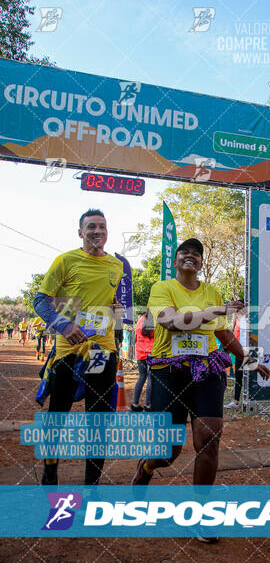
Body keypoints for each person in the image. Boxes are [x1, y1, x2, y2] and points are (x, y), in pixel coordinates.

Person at [131, 238, 270, 537]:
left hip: (206, 369)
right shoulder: (162, 288)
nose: (190, 257)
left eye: (196, 254)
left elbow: (222, 332)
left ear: (202, 262)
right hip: (169, 371)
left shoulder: (211, 292)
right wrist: (217, 310)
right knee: (169, 452)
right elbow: (172, 323)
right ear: (177, 260)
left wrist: (248, 360)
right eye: (185, 253)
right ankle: (146, 467)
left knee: (209, 438)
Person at [33, 208, 123, 486]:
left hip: (100, 350)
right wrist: (63, 325)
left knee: (97, 421)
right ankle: (50, 471)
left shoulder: (116, 265)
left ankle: (91, 487)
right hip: (69, 350)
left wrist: (116, 312)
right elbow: (40, 300)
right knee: (57, 416)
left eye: (103, 227)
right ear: (81, 232)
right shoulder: (66, 261)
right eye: (92, 227)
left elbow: (108, 301)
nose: (98, 231)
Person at [131, 310, 154, 412]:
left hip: (140, 353)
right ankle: (147, 406)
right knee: (150, 380)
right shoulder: (156, 321)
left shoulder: (140, 319)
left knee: (141, 377)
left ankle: (135, 404)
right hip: (151, 354)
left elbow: (136, 337)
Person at [225, 305, 246, 409]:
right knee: (239, 376)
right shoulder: (237, 319)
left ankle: (251, 400)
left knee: (250, 377)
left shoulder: (248, 318)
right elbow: (234, 335)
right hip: (239, 352)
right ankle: (236, 402)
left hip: (249, 351)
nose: (235, 311)